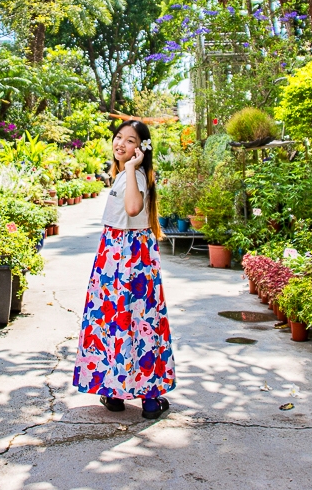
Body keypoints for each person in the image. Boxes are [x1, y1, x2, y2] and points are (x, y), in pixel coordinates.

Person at [72, 120, 175, 419]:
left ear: (141, 149)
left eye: (130, 141)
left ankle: (139, 397)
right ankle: (123, 394)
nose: (121, 144)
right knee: (127, 320)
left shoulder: (136, 175)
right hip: (118, 255)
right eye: (119, 137)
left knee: (126, 320)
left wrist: (130, 169)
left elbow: (132, 209)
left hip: (128, 257)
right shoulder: (123, 176)